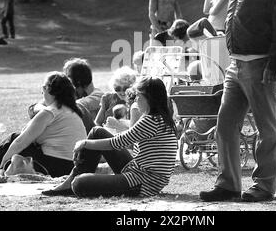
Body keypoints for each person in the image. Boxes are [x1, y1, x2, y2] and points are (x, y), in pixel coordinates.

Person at [199, 0, 276, 202]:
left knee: (267, 127)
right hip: (236, 66)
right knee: (226, 125)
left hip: (261, 65)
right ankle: (228, 184)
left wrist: (274, 64)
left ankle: (264, 186)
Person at [41, 76, 178, 198]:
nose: (136, 99)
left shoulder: (151, 120)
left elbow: (117, 142)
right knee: (97, 132)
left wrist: (84, 143)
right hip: (140, 173)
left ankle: (73, 180)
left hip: (143, 182)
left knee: (79, 184)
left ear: (149, 98)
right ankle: (72, 178)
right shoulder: (160, 118)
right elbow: (126, 138)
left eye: (138, 96)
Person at [0, 71, 87, 178]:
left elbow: (20, 142)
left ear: (49, 90)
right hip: (72, 166)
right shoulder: (71, 110)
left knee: (14, 139)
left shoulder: (50, 112)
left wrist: (2, 163)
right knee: (19, 145)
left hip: (56, 167)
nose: (42, 92)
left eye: (43, 88)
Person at [28, 58, 103, 134]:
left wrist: (49, 112)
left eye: (68, 78)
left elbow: (73, 107)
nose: (65, 82)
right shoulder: (73, 95)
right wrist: (44, 111)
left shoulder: (98, 96)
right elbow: (35, 107)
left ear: (78, 81)